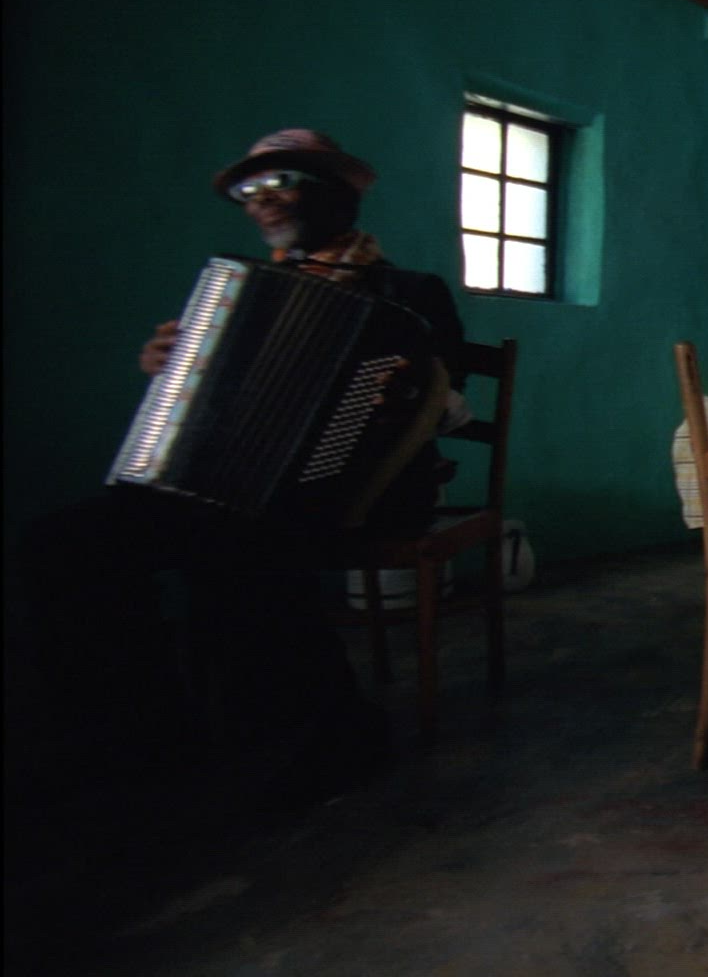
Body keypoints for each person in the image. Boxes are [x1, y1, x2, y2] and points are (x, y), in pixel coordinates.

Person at [15, 129, 466, 815]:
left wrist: (398, 391)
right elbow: (208, 399)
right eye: (250, 191)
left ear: (337, 194)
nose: (262, 200)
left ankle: (336, 732)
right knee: (62, 542)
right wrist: (169, 368)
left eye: (282, 182)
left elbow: (449, 402)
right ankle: (142, 735)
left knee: (240, 542)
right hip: (224, 483)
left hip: (365, 486)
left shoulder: (410, 291)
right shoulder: (233, 293)